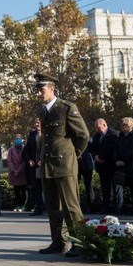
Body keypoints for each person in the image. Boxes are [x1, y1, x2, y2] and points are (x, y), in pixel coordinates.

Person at [34, 73, 89, 255]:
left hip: (65, 165)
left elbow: (83, 135)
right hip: (48, 165)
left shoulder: (66, 108)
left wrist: (73, 155)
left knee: (71, 207)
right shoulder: (43, 110)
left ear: (52, 88)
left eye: (41, 90)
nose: (39, 94)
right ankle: (58, 242)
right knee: (53, 208)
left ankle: (79, 243)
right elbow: (45, 139)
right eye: (37, 90)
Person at [91, 118, 118, 214]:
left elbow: (112, 148)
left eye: (99, 128)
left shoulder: (113, 134)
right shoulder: (97, 136)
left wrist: (102, 156)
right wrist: (96, 156)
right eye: (96, 128)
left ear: (104, 125)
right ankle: (106, 207)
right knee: (105, 188)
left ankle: (117, 207)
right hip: (101, 166)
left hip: (110, 165)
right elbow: (92, 147)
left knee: (115, 188)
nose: (97, 130)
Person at [22, 118, 44, 215]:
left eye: (39, 122)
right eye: (36, 122)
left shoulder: (47, 133)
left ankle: (53, 209)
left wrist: (43, 160)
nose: (37, 124)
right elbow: (26, 150)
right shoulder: (31, 134)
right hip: (35, 166)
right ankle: (38, 209)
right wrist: (29, 160)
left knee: (49, 188)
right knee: (36, 188)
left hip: (46, 165)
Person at [7, 134, 27, 212]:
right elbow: (9, 161)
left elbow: (25, 160)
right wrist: (14, 170)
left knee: (23, 190)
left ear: (22, 140)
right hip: (14, 173)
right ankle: (18, 205)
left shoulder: (25, 148)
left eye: (19, 138)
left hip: (22, 172)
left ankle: (23, 205)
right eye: (16, 138)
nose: (18, 140)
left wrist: (19, 170)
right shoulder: (11, 150)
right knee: (16, 190)